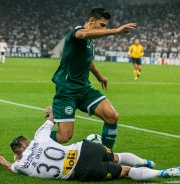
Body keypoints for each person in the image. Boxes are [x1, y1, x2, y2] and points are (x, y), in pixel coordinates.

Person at [0, 107, 180, 181]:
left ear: (18, 153)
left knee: (126, 171)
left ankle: (161, 173)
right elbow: (53, 115)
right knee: (117, 156)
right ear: (28, 142)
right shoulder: (39, 136)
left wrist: (3, 161)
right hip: (83, 148)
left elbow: (11, 165)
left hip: (81, 170)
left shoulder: (21, 166)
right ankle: (147, 161)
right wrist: (49, 112)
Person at [50, 7, 137, 149]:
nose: (104, 28)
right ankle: (31, 144)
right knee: (64, 136)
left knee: (112, 115)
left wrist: (99, 77)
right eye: (102, 25)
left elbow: (88, 60)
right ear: (91, 21)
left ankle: (106, 155)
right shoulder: (77, 33)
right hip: (67, 91)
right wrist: (115, 31)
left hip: (84, 89)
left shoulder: (90, 42)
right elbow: (83, 34)